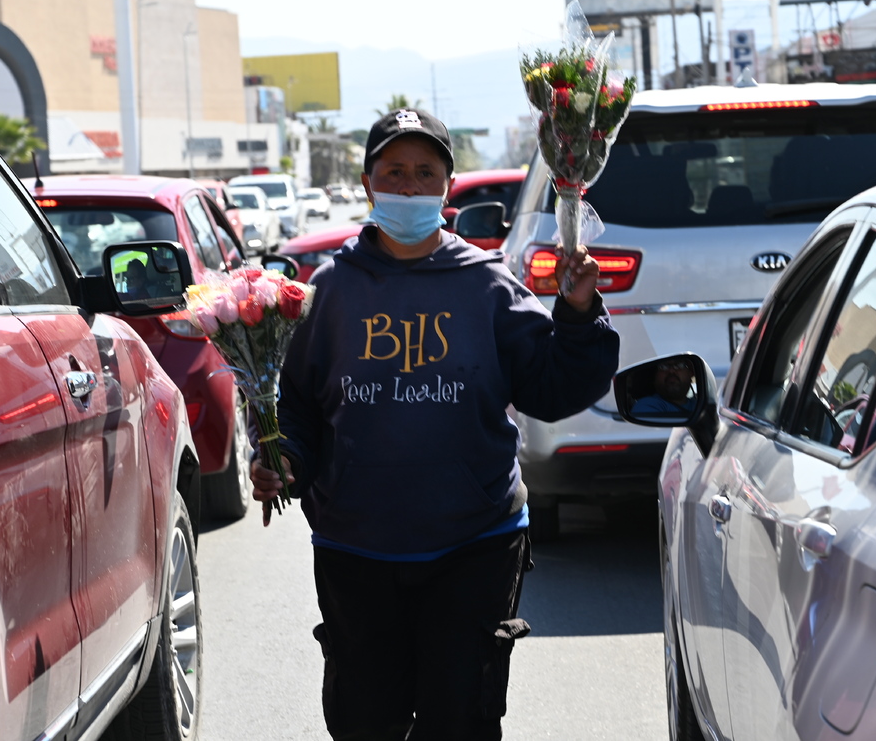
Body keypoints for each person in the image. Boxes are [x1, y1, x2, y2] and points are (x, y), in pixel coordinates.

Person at [251, 108, 620, 740]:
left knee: (462, 721)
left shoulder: (486, 286)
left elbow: (553, 388)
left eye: (426, 173)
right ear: (368, 184)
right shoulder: (332, 291)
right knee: (365, 721)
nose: (410, 187)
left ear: (447, 187)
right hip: (356, 548)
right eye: (395, 172)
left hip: (474, 545)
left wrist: (580, 312)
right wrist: (285, 460)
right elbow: (303, 406)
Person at [631, 358, 696, 416]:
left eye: (679, 365)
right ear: (654, 377)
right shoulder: (646, 405)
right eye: (663, 366)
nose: (671, 371)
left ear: (690, 374)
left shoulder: (699, 404)